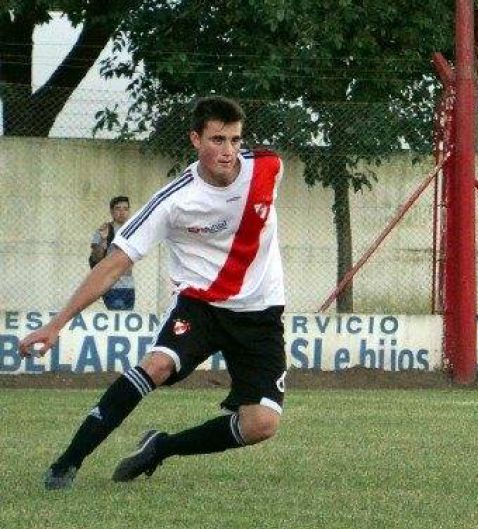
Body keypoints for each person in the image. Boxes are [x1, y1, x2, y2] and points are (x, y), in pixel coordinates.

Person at [19, 96, 288, 491]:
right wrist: (57, 324)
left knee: (262, 424)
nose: (228, 152)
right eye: (217, 140)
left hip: (260, 313)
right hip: (201, 307)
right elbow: (113, 264)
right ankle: (67, 464)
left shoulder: (269, 168)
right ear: (196, 139)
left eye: (234, 140)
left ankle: (161, 447)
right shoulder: (173, 201)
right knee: (157, 365)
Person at [90, 195, 136, 310]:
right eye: (118, 208)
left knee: (126, 321)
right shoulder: (105, 230)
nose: (122, 212)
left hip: (129, 286)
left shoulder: (133, 230)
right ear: (111, 211)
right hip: (111, 285)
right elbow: (96, 258)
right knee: (118, 316)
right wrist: (103, 239)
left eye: (125, 209)